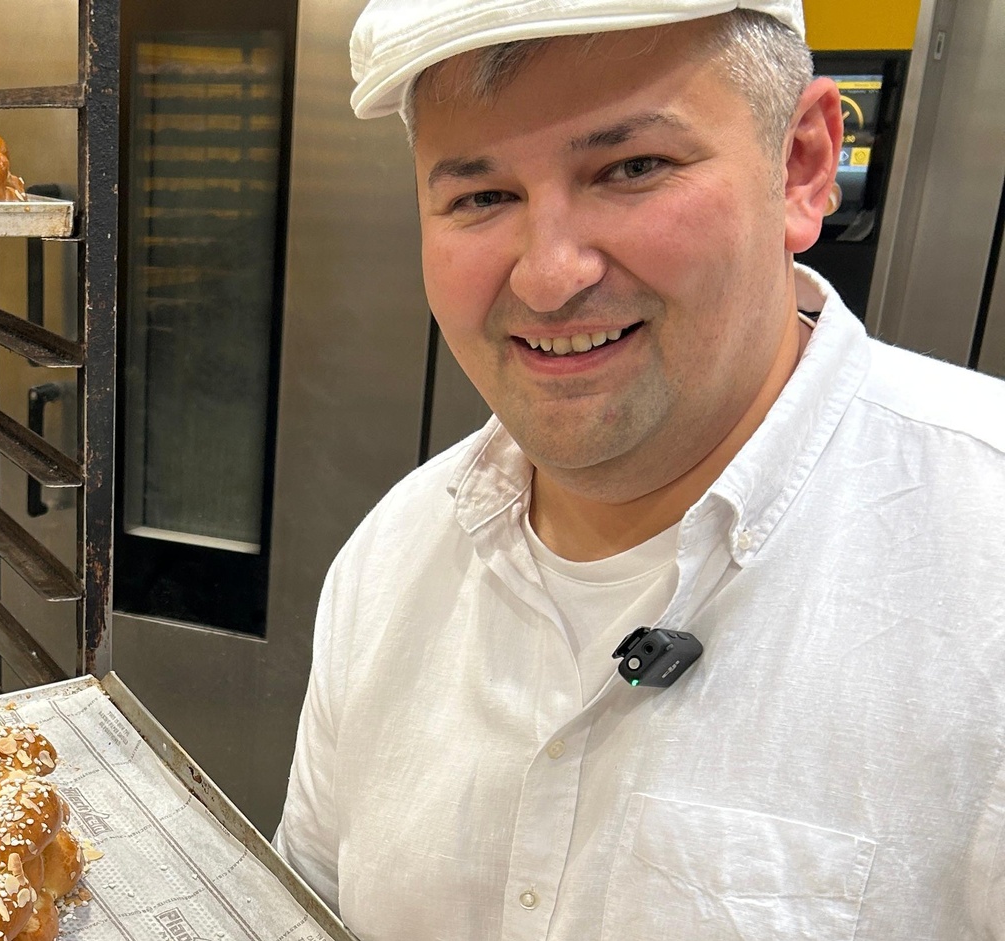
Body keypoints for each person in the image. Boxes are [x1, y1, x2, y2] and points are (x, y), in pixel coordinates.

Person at [272, 1, 1005, 938]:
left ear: (802, 165)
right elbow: (302, 909)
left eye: (631, 168)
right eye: (481, 196)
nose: (549, 276)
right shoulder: (394, 552)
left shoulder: (979, 565)